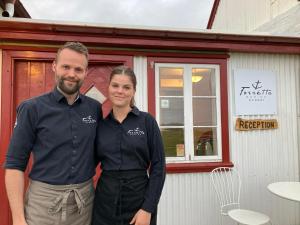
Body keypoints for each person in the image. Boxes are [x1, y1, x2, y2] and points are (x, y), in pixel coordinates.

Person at [5, 42, 102, 225]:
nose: (71, 74)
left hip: (84, 203)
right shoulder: (32, 108)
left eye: (78, 69)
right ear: (54, 66)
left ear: (86, 72)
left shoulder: (94, 108)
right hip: (43, 205)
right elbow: (14, 165)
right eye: (66, 67)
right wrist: (18, 219)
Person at [92, 66, 166, 225]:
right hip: (105, 202)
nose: (120, 91)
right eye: (115, 85)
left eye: (126, 87)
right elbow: (87, 163)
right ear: (109, 88)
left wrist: (148, 208)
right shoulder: (100, 126)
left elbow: (159, 167)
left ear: (133, 91)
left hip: (138, 200)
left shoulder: (147, 122)